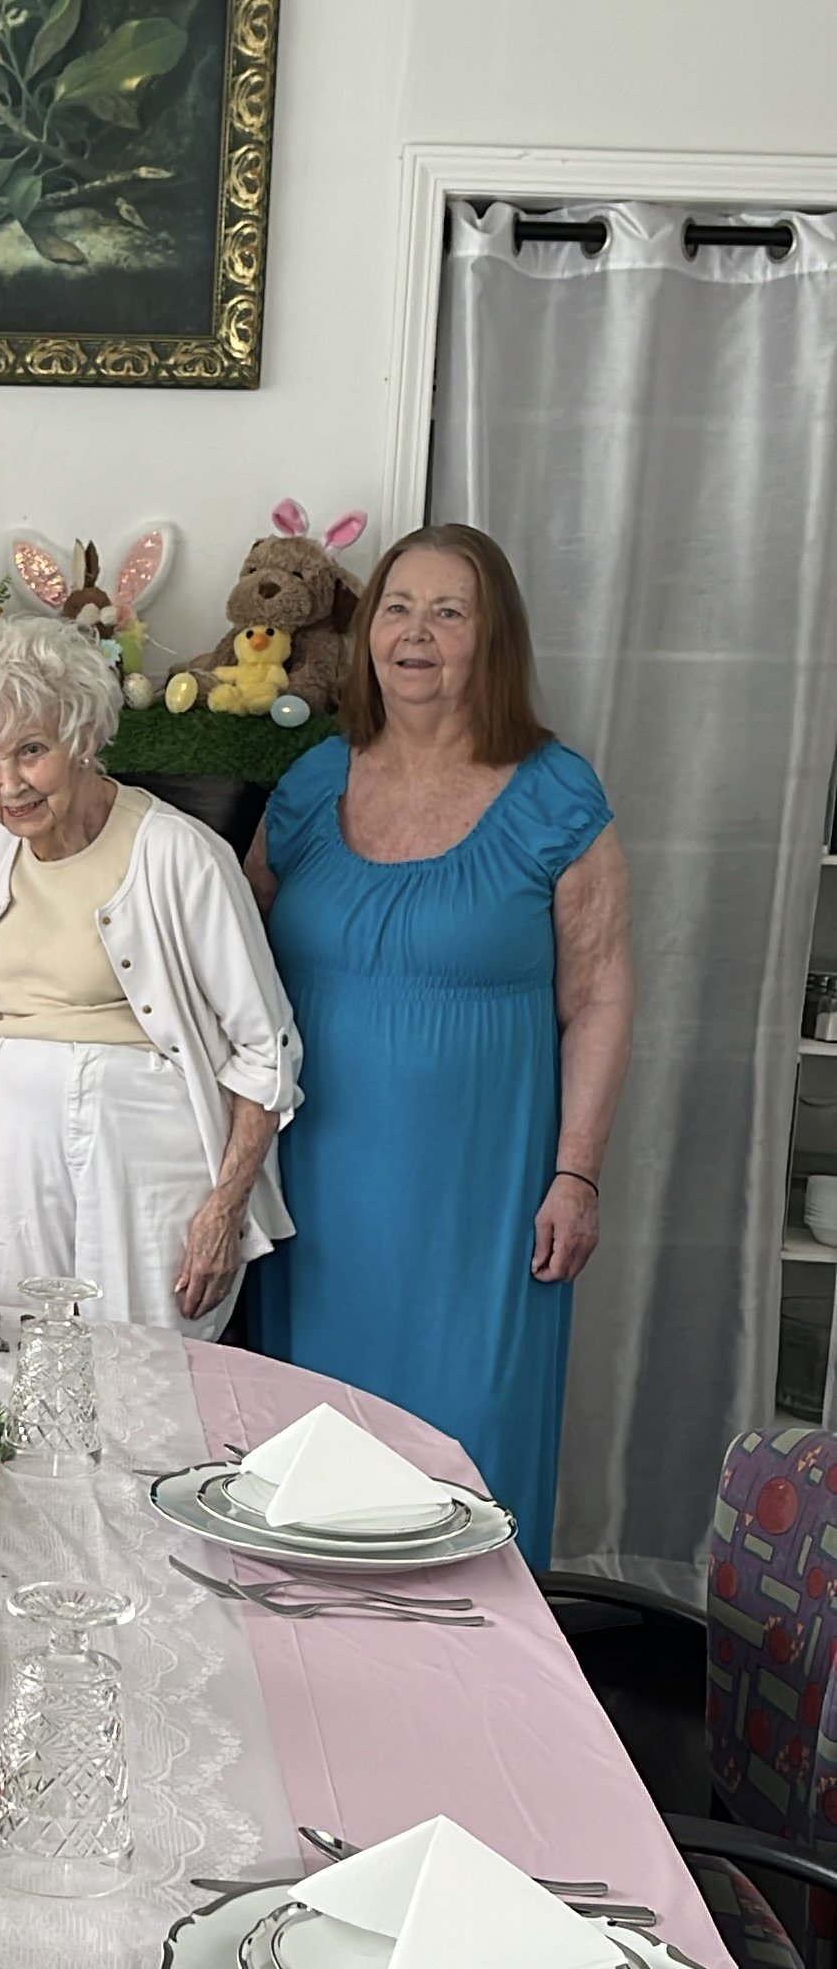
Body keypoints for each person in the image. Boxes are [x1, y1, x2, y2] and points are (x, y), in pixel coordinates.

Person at [246, 522, 633, 1568]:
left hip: (482, 1208)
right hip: (316, 1202)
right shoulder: (309, 786)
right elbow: (228, 963)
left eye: (448, 612)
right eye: (398, 609)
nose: (416, 634)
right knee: (310, 1472)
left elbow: (600, 994)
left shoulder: (556, 794)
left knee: (463, 1473)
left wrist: (578, 1174)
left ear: (491, 639)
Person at [0, 615, 300, 1333]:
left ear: (83, 737)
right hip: (12, 1157)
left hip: (146, 1159)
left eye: (31, 751)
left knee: (146, 1372)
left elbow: (267, 1048)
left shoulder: (179, 854)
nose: (8, 785)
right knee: (18, 1359)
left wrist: (225, 1208)